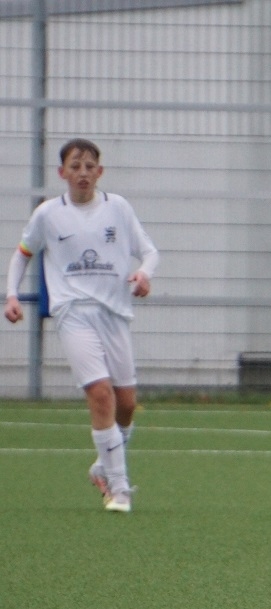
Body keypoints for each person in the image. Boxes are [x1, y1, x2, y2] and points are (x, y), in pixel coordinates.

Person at [4, 138, 159, 513]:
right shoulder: (48, 214)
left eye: (90, 167)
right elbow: (23, 254)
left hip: (115, 313)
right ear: (62, 172)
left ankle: (102, 467)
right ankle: (118, 488)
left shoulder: (117, 208)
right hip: (72, 312)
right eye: (75, 166)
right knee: (101, 394)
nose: (83, 173)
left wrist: (143, 274)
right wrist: (11, 295)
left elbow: (150, 252)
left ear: (100, 171)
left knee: (126, 403)